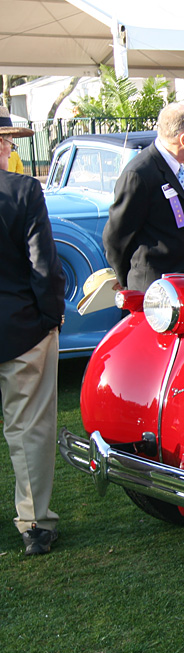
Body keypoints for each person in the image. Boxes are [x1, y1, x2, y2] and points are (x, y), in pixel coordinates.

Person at [0, 118, 66, 556]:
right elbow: (43, 264)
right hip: (21, 325)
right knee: (30, 430)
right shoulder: (22, 191)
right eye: (5, 140)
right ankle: (35, 524)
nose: (8, 147)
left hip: (21, 321)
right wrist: (51, 317)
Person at [103, 103, 184, 292]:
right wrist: (130, 280)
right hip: (153, 291)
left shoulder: (179, 164)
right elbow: (115, 237)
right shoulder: (140, 174)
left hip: (182, 283)